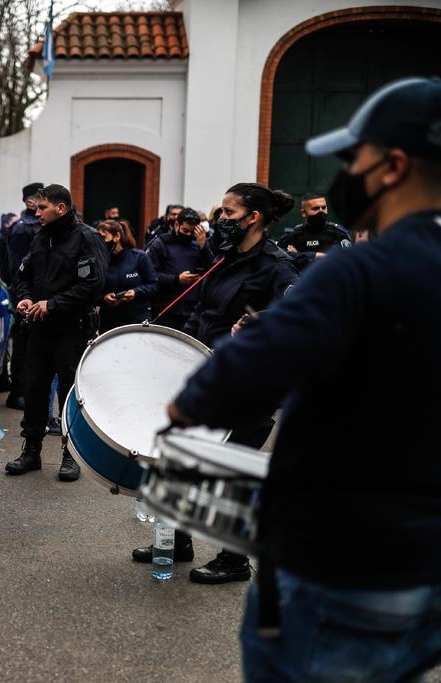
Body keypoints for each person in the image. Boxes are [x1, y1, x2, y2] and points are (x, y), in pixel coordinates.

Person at [168, 77, 441, 682]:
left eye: (355, 159)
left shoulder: (360, 271)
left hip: (336, 563)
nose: (346, 174)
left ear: (393, 166)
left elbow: (236, 379)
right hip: (431, 562)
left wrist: (183, 404)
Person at [131, 181, 299, 583]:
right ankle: (178, 541)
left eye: (228, 212)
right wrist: (177, 352)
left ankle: (235, 560)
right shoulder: (224, 257)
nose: (219, 218)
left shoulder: (276, 266)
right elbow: (202, 313)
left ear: (252, 218)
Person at [5, 184, 108, 482]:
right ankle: (31, 452)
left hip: (72, 329)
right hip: (39, 328)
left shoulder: (87, 238)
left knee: (68, 392)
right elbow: (23, 275)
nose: (36, 213)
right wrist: (25, 297)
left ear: (60, 208)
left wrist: (52, 304)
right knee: (34, 389)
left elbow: (92, 285)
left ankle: (71, 455)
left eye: (42, 207)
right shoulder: (41, 237)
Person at [5, 182, 43, 411]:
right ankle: (17, 392)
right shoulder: (22, 228)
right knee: (23, 345)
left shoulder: (37, 225)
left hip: (36, 292)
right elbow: (18, 267)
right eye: (39, 198)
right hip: (25, 294)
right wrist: (22, 294)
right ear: (30, 201)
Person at [146, 207, 211, 331]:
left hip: (193, 309)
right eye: (185, 230)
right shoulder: (161, 243)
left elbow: (211, 271)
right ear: (176, 224)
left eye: (192, 232)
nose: (188, 235)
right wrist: (176, 279)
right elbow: (150, 275)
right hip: (166, 307)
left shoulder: (199, 244)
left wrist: (203, 247)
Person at [97, 219, 158, 332]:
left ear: (117, 236)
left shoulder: (139, 257)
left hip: (137, 321)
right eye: (98, 238)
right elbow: (91, 291)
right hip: (110, 324)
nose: (101, 242)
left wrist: (136, 292)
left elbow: (153, 285)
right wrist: (103, 298)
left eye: (104, 237)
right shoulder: (99, 262)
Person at [276, 192, 352, 272]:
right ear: (303, 213)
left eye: (324, 207)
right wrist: (319, 256)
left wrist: (298, 255)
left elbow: (340, 259)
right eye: (315, 209)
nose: (321, 211)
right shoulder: (293, 235)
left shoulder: (338, 233)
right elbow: (280, 259)